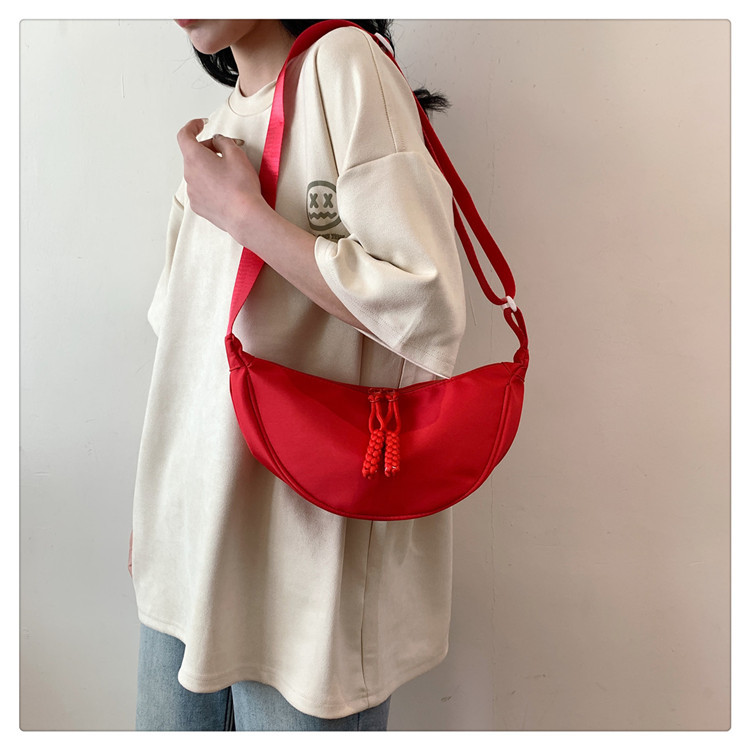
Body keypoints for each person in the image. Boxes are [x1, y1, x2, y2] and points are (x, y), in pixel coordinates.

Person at [130, 19, 466, 731]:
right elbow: (184, 353)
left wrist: (243, 215)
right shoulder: (215, 132)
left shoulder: (344, 66)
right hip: (185, 553)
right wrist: (154, 517)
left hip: (304, 571)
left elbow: (427, 304)